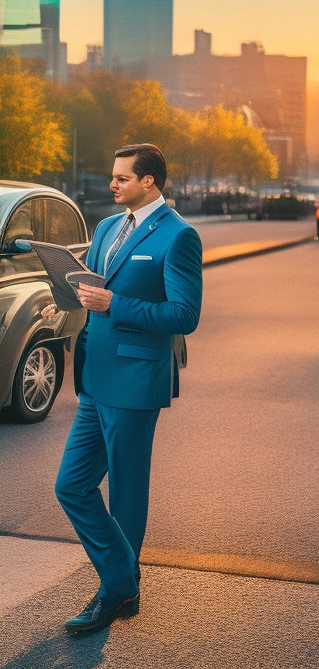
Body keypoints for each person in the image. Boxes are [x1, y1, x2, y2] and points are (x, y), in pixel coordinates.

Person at [54, 143, 203, 632]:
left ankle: (115, 591)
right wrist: (69, 296)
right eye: (112, 177)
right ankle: (123, 581)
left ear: (149, 182)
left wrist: (113, 303)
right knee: (71, 486)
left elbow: (184, 315)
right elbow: (90, 285)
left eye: (121, 178)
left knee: (126, 491)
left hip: (137, 379)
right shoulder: (106, 228)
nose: (112, 185)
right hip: (93, 378)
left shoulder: (179, 237)